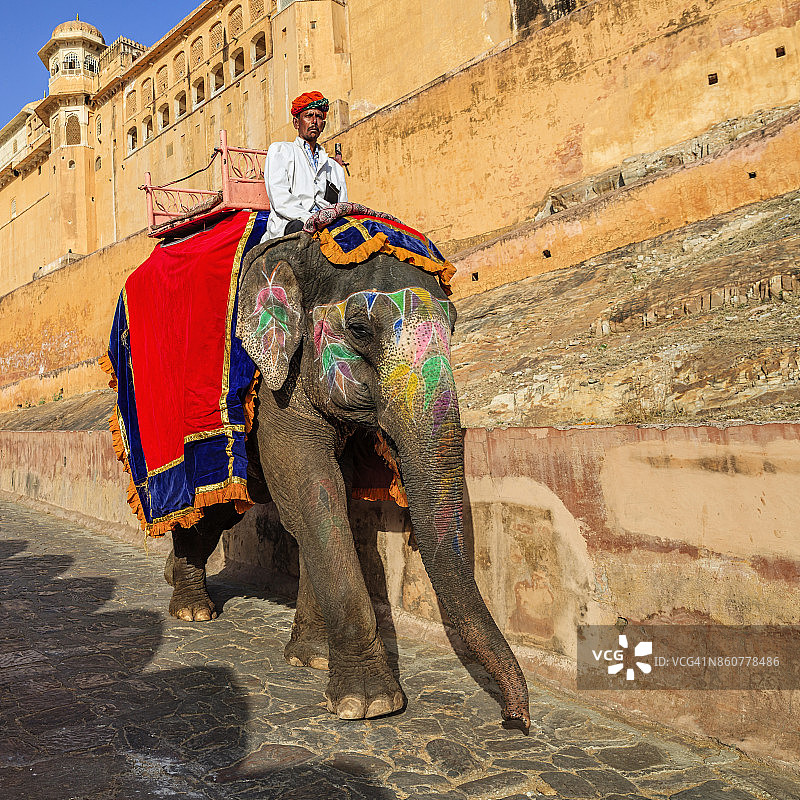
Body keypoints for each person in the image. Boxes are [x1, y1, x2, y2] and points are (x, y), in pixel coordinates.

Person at [263, 91, 348, 240]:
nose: (314, 121)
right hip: (291, 224)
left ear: (323, 125)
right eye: (309, 116)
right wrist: (310, 219)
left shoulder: (335, 169)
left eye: (319, 117)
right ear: (297, 123)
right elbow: (280, 199)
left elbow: (342, 205)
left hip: (327, 227)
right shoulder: (280, 151)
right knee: (298, 230)